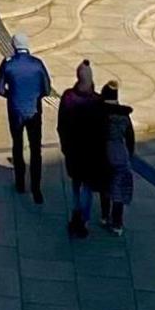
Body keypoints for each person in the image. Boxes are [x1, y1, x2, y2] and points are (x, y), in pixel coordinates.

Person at [0, 39, 52, 198]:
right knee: (35, 148)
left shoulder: (8, 63)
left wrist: (10, 95)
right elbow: (47, 89)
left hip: (15, 110)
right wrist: (36, 96)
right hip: (34, 110)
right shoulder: (37, 64)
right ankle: (36, 187)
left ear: (14, 46)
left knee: (17, 145)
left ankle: (20, 183)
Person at [59, 63, 111, 238]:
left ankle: (76, 214)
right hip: (91, 153)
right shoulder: (97, 101)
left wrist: (65, 146)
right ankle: (83, 219)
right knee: (87, 187)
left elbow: (61, 125)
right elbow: (103, 130)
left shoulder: (68, 97)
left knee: (76, 185)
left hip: (73, 152)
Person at [99, 81, 138, 232]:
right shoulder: (124, 116)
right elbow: (130, 138)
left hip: (104, 152)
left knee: (104, 185)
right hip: (120, 153)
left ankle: (104, 215)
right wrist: (129, 154)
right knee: (119, 190)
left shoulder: (101, 113)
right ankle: (117, 223)